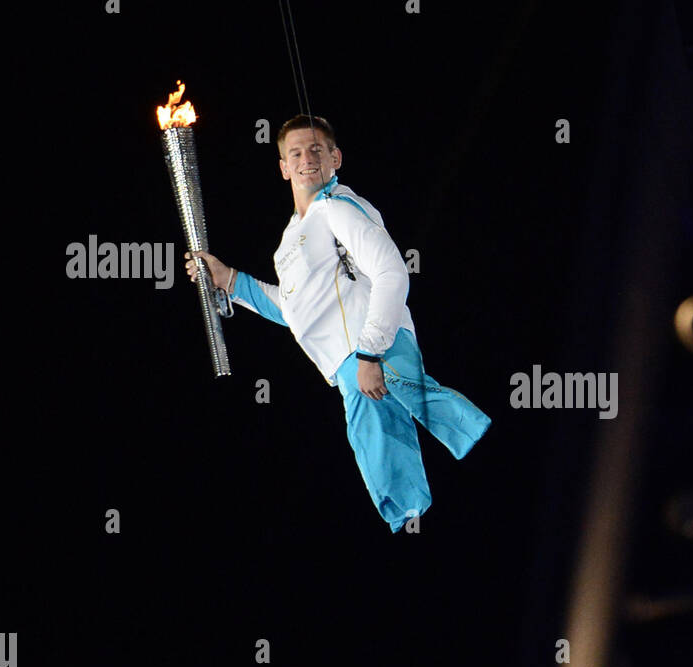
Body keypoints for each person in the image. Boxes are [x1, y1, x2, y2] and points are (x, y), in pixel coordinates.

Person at [184, 114, 491, 532]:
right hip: (349, 366)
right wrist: (231, 282)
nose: (307, 158)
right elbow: (295, 312)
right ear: (283, 167)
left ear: (336, 157)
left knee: (436, 411)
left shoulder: (336, 207)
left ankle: (497, 451)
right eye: (296, 153)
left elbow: (391, 271)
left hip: (374, 346)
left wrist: (370, 350)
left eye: (316, 149)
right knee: (388, 468)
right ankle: (417, 520)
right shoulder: (289, 242)